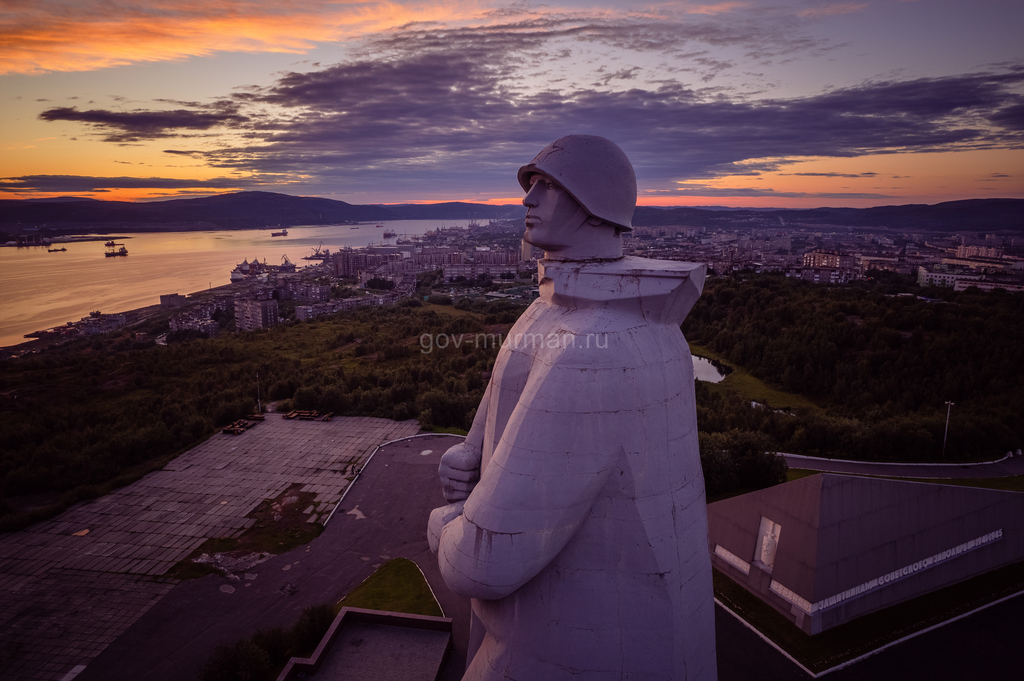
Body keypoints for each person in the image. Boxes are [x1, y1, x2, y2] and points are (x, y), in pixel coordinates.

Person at [428, 135, 717, 680]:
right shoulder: (561, 315)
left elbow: (484, 563)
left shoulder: (592, 346)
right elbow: (496, 429)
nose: (527, 200)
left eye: (547, 186)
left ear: (595, 203)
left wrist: (442, 523)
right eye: (529, 185)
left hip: (567, 657)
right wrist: (469, 457)